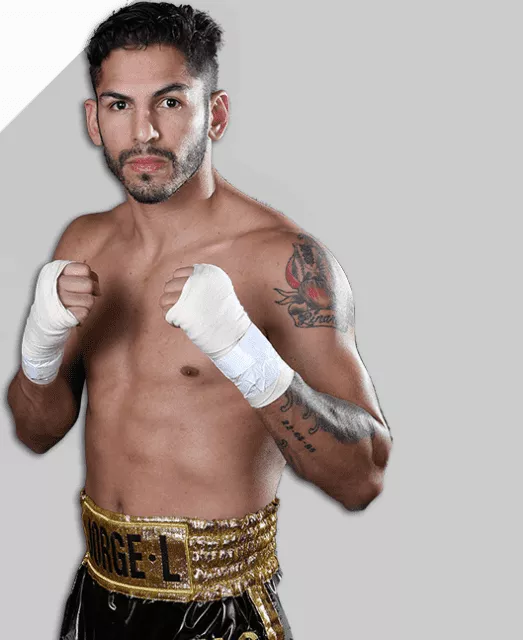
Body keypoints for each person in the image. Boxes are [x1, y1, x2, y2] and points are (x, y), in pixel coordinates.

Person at [6, 2, 393, 639]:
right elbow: (35, 432)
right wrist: (40, 349)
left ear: (215, 114)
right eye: (120, 105)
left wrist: (246, 354)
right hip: (97, 597)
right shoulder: (84, 244)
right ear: (94, 121)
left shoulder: (283, 262)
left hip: (219, 612)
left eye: (170, 101)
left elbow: (364, 477)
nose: (144, 132)